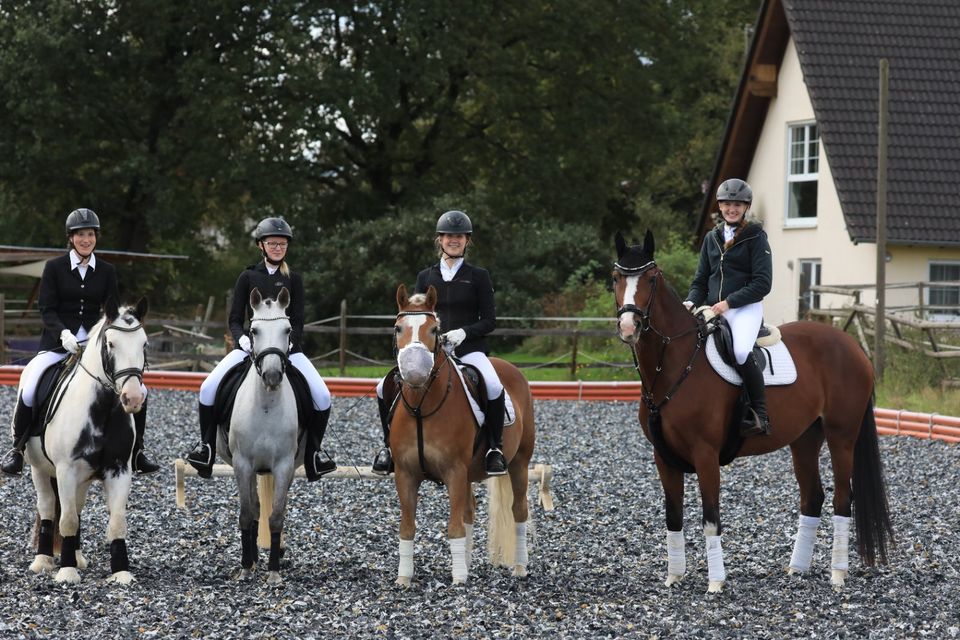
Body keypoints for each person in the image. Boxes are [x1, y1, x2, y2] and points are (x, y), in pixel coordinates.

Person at [1, 208, 159, 476]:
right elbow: (46, 309)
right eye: (80, 235)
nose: (86, 239)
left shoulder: (107, 271)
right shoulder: (54, 268)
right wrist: (64, 334)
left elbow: (111, 312)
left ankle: (138, 451)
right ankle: (18, 448)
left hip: (95, 348)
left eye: (90, 234)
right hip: (58, 342)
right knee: (31, 385)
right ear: (71, 238)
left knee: (137, 389)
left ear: (95, 237)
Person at [185, 217, 336, 481]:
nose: (278, 247)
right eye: (272, 243)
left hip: (287, 349)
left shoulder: (294, 279)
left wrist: (290, 343)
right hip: (250, 346)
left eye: (282, 243)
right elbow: (234, 318)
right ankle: (206, 448)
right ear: (261, 246)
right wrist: (240, 339)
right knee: (207, 388)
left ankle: (314, 455)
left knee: (322, 396)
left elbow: (298, 319)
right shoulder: (248, 276)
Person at [372, 210, 507, 476]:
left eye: (459, 236)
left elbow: (490, 320)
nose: (453, 240)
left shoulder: (478, 276)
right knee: (381, 387)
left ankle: (494, 448)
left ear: (467, 240)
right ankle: (388, 447)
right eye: (448, 236)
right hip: (429, 352)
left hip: (468, 351)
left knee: (493, 385)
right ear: (440, 239)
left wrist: (464, 333)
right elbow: (417, 314)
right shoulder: (426, 276)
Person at [683, 179, 773, 436]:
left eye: (737, 205)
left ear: (746, 207)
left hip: (745, 308)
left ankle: (760, 415)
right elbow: (701, 281)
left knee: (742, 351)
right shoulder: (711, 238)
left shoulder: (756, 236)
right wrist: (691, 300)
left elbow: (763, 283)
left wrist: (730, 302)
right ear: (720, 206)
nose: (731, 209)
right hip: (713, 308)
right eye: (727, 204)